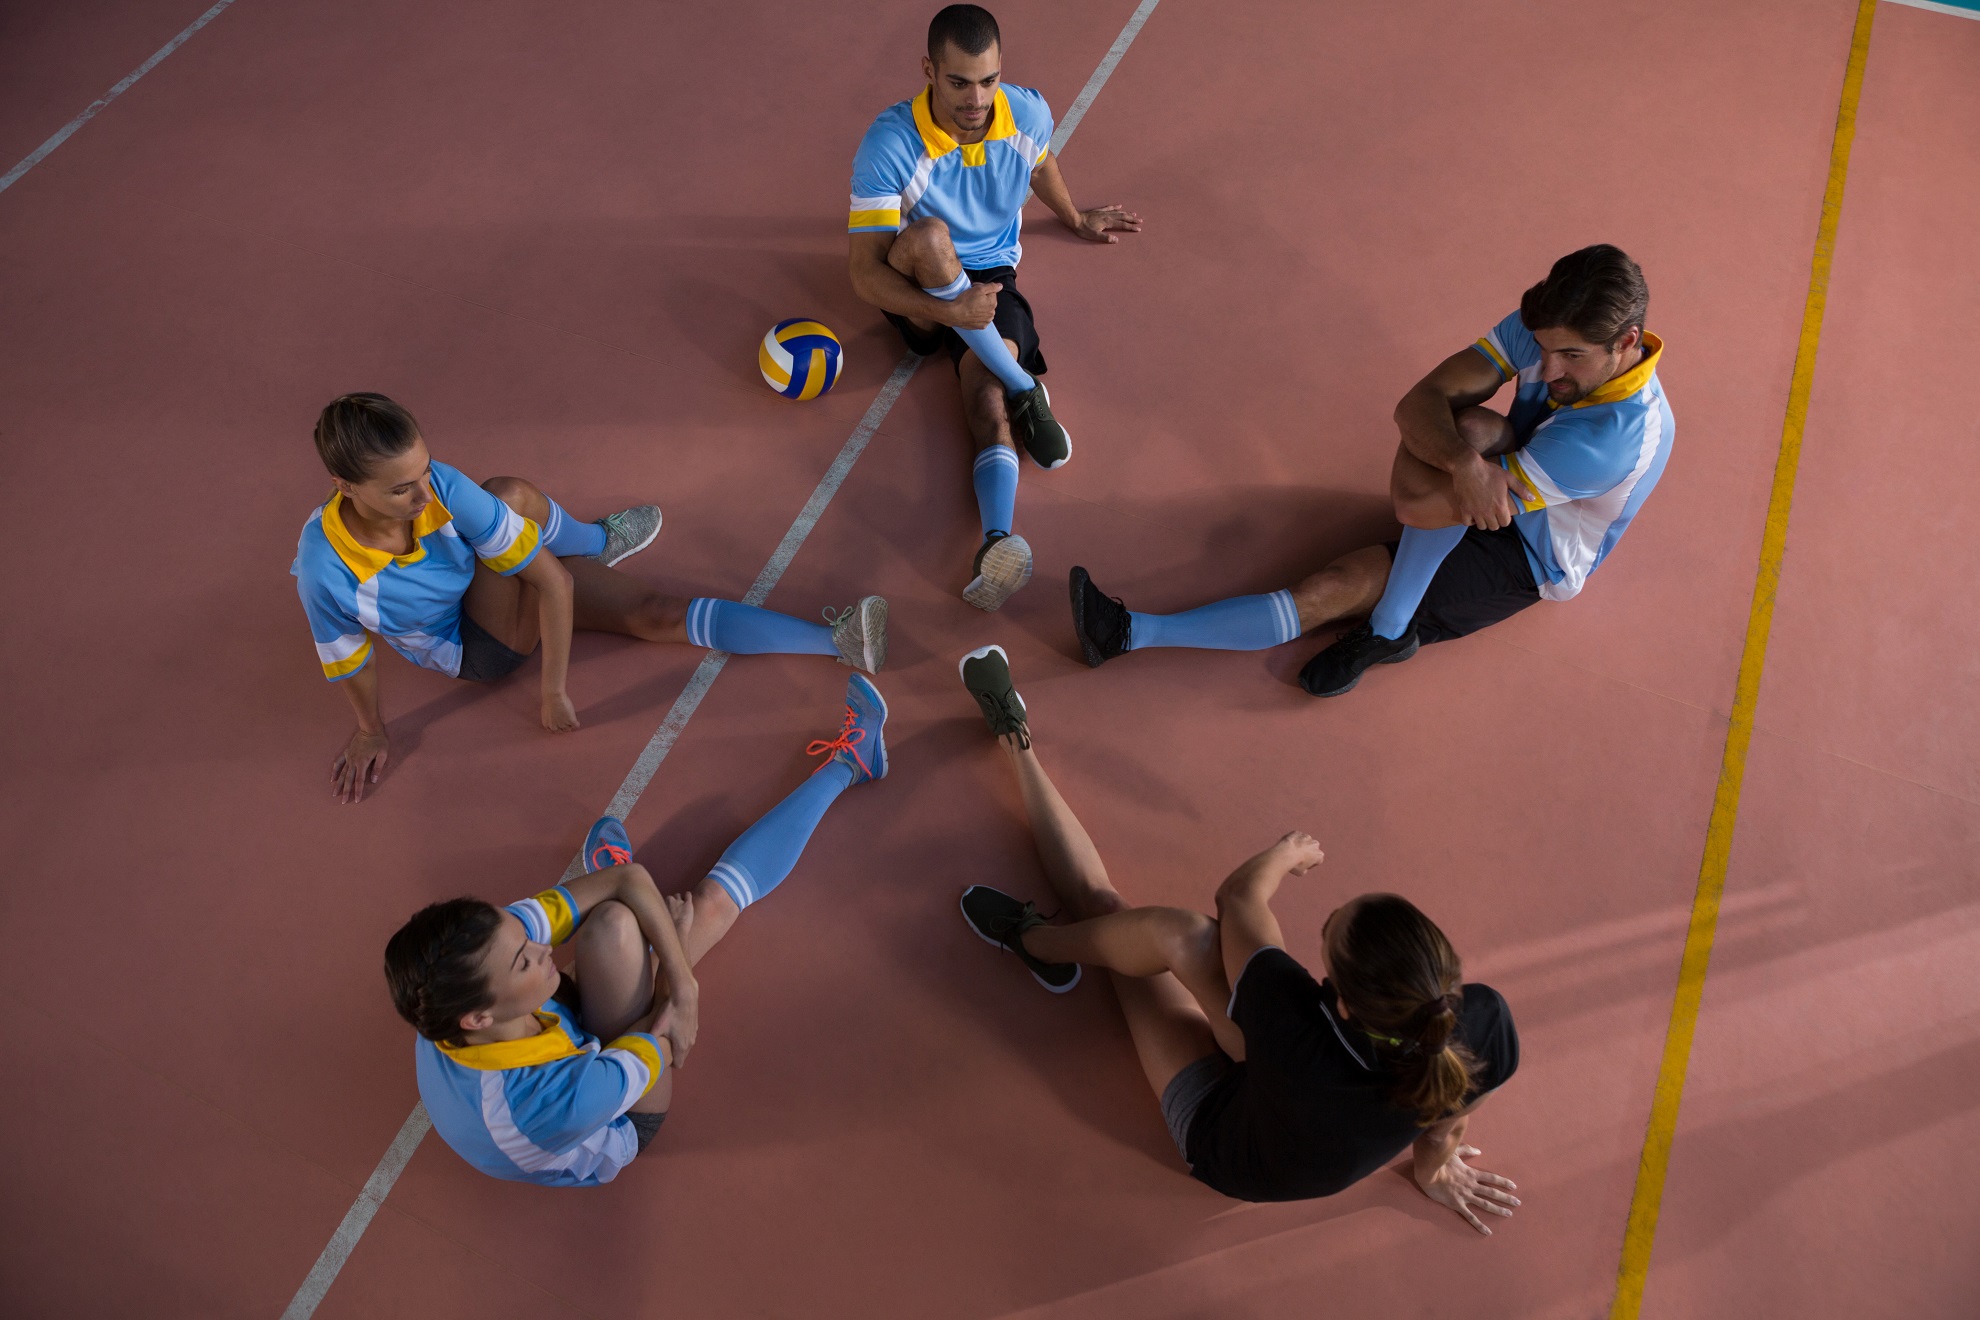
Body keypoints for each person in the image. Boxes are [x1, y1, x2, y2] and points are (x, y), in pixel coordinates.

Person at [953, 645, 1521, 1222]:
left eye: (1328, 936)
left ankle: (1035, 942)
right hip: (1290, 1084)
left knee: (1112, 910)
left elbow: (1238, 897)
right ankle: (1017, 748)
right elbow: (1449, 1122)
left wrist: (1287, 851)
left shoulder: (1291, 1022)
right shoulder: (1481, 1025)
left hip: (1228, 1138)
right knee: (1184, 937)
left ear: (1344, 1006)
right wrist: (1432, 1174)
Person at [1067, 245, 1674, 696]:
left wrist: (1439, 457)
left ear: (1627, 342)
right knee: (1474, 431)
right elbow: (1415, 402)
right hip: (1515, 463)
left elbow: (1416, 504)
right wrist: (1463, 459)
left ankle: (1133, 632)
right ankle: (1389, 621)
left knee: (1333, 586)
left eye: (1570, 357)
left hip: (1533, 554)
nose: (1547, 365)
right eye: (1541, 348)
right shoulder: (1548, 329)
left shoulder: (1611, 440)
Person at [382, 672, 889, 1186]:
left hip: (548, 1034)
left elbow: (627, 877)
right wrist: (673, 976)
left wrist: (680, 980)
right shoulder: (553, 1102)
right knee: (703, 909)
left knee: (615, 918)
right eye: (524, 960)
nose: (542, 947)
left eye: (523, 937)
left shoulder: (453, 988)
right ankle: (852, 765)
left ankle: (635, 932)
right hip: (614, 1112)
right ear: (478, 1018)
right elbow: (668, 1039)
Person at [294, 392, 889, 802]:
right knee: (509, 500)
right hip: (474, 646)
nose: (425, 493)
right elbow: (351, 657)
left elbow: (555, 584)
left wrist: (555, 671)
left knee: (651, 610)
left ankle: (836, 641)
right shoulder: (327, 570)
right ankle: (591, 539)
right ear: (344, 487)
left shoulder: (438, 485)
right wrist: (371, 728)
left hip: (485, 582)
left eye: (425, 471)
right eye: (402, 490)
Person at [847, 4, 1141, 611]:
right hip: (923, 290)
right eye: (958, 82)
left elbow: (1041, 163)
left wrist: (1077, 217)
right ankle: (1027, 387)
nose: (975, 98)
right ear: (929, 70)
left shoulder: (1025, 113)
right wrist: (954, 314)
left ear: (1001, 71)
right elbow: (864, 275)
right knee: (930, 239)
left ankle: (996, 542)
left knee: (985, 398)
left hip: (993, 275)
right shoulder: (891, 144)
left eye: (988, 80)